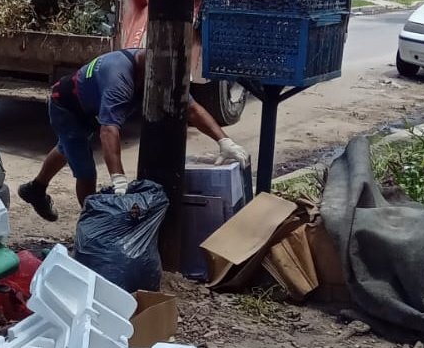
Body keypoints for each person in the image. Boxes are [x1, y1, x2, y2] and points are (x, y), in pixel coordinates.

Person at [18, 47, 250, 221]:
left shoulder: (159, 69)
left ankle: (35, 189)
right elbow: (109, 130)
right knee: (85, 168)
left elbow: (191, 109)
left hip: (89, 105)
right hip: (66, 106)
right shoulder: (119, 79)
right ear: (146, 75)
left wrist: (224, 141)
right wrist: (118, 179)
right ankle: (92, 224)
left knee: (67, 148)